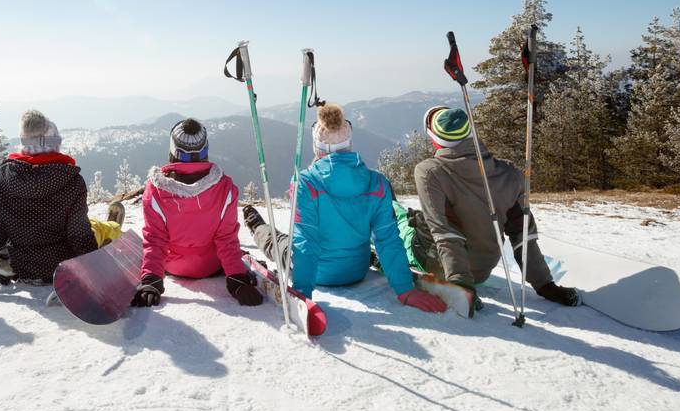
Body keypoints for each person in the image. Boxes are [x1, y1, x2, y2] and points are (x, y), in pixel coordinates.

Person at [242, 104, 446, 314]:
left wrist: (302, 294)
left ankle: (258, 227)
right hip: (357, 270)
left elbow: (306, 243)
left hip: (319, 273)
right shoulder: (377, 183)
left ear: (317, 146)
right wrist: (405, 289)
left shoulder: (305, 183)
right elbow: (387, 239)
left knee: (277, 242)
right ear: (349, 143)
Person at [409, 105, 579, 308]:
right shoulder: (509, 173)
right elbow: (523, 236)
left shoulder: (429, 171)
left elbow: (444, 233)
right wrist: (545, 285)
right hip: (483, 268)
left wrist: (461, 285)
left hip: (444, 266)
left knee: (400, 222)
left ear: (435, 139)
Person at [0, 110, 122, 291]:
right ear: (54, 144)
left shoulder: (2, 181)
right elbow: (80, 236)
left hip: (25, 269)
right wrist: (97, 276)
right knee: (98, 228)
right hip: (64, 268)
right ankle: (114, 228)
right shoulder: (71, 181)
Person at [131, 118, 262, 309]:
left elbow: (155, 239)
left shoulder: (155, 191)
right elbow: (226, 238)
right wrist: (237, 278)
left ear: (173, 150)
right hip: (212, 266)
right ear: (205, 150)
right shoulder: (225, 188)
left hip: (173, 267)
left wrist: (151, 280)